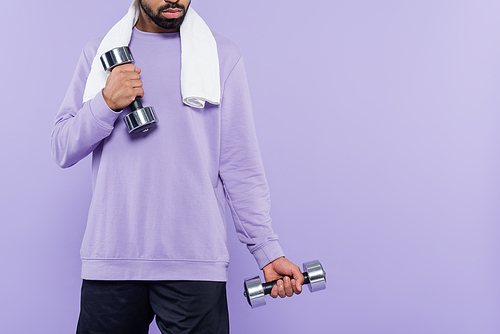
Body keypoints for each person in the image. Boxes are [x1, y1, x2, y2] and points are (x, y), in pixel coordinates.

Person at [51, 0, 304, 333]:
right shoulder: (99, 53)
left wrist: (266, 251)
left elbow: (240, 166)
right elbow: (63, 147)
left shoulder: (221, 55)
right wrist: (105, 103)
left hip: (195, 261)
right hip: (113, 260)